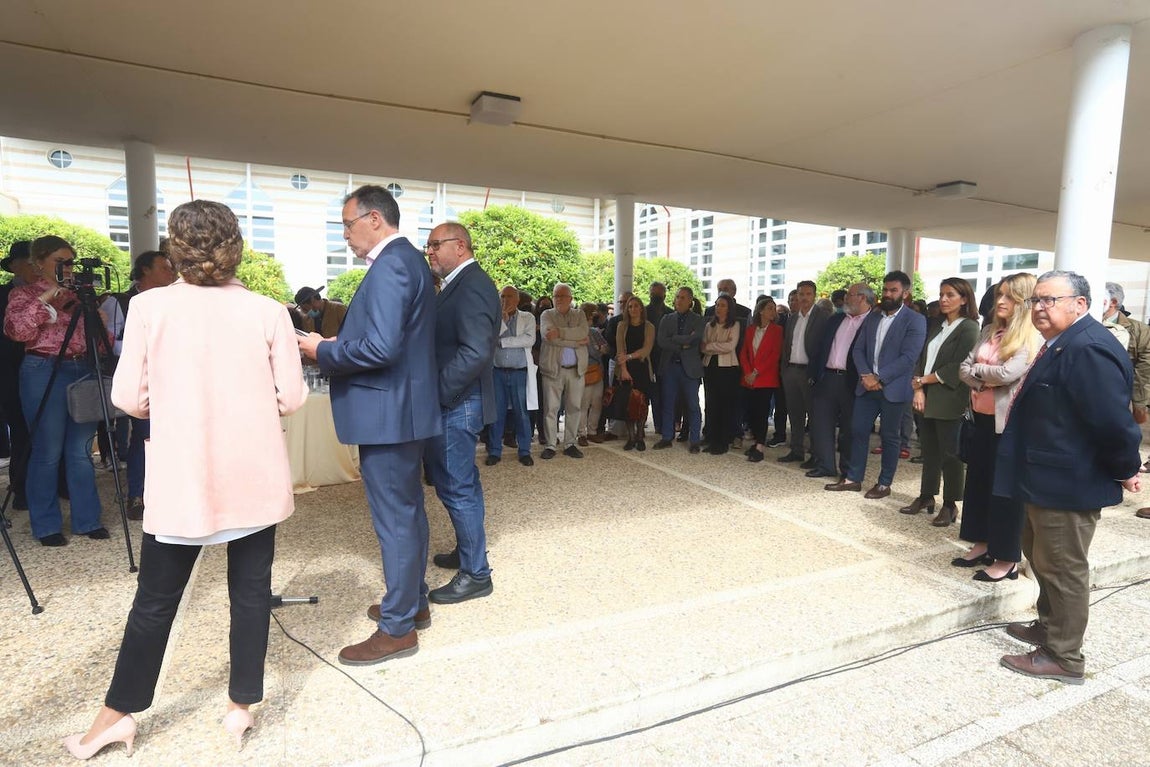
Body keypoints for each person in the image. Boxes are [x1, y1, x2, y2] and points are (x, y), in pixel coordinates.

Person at [63, 200, 306, 758]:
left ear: (175, 247)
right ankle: (240, 707)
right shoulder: (269, 311)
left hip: (184, 474)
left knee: (154, 601)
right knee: (249, 594)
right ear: (234, 245)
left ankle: (116, 714)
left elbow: (127, 397)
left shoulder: (150, 307)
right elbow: (291, 398)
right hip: (253, 474)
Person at [298, 184, 441, 665]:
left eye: (347, 224)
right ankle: (412, 602)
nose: (345, 235)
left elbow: (381, 348)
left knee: (396, 521)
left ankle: (398, 627)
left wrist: (323, 349)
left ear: (374, 219)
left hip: (388, 413)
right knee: (408, 513)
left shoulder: (392, 265)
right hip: (403, 409)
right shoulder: (409, 262)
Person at [995, 270, 1142, 684]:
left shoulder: (1089, 347)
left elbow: (1113, 422)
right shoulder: (1063, 343)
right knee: (1042, 559)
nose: (1039, 308)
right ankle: (1049, 628)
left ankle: (1065, 657)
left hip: (1068, 482)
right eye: (1035, 300)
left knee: (1063, 567)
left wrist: (1125, 467)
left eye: (1050, 300)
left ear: (1080, 304)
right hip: (1044, 476)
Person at [3, 236, 111, 546]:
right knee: (47, 451)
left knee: (80, 452)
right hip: (42, 368)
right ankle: (46, 525)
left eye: (70, 262)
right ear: (40, 263)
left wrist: (99, 322)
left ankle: (87, 520)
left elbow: (101, 346)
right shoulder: (23, 294)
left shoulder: (83, 297)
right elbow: (16, 331)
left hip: (82, 369)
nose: (67, 268)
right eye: (59, 262)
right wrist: (46, 300)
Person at [423, 222, 500, 605]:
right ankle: (467, 553)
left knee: (457, 487)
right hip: (458, 401)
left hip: (457, 403)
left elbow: (476, 352)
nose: (430, 251)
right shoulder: (457, 284)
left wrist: (436, 394)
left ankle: (476, 574)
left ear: (461, 246)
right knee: (461, 483)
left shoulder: (472, 286)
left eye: (436, 244)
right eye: (429, 245)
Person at [954, 273, 1040, 578]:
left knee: (1005, 491)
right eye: (1000, 295)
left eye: (1009, 297)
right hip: (980, 419)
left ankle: (1006, 558)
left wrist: (979, 371)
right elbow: (962, 369)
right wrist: (983, 375)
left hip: (1009, 426)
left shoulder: (1031, 336)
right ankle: (981, 542)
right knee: (977, 482)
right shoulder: (988, 330)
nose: (1000, 302)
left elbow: (1009, 373)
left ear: (1024, 302)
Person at [825, 271, 926, 499]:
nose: (888, 294)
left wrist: (878, 377)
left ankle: (884, 483)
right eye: (885, 290)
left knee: (890, 437)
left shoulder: (915, 320)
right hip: (866, 387)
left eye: (894, 290)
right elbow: (858, 349)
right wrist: (866, 375)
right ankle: (853, 478)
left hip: (894, 388)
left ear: (905, 293)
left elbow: (909, 358)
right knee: (858, 431)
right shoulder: (874, 316)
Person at [902, 278, 980, 526]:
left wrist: (923, 381)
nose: (944, 299)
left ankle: (950, 504)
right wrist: (918, 387)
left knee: (950, 454)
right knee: (930, 451)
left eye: (951, 295)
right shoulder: (937, 325)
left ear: (965, 299)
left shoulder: (969, 327)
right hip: (926, 395)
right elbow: (922, 357)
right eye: (942, 294)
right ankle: (926, 496)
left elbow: (958, 365)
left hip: (949, 397)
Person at [121, 250, 176, 520]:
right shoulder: (121, 302)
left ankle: (172, 493)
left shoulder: (176, 301)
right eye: (165, 268)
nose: (172, 273)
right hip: (144, 380)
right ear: (145, 270)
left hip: (175, 377)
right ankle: (138, 495)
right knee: (144, 437)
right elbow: (114, 342)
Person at [806, 283, 873, 478]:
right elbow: (820, 347)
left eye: (850, 295)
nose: (846, 298)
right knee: (820, 424)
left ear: (862, 298)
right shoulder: (836, 319)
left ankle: (848, 470)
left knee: (850, 428)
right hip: (827, 378)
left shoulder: (873, 322)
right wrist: (814, 374)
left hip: (854, 382)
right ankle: (825, 465)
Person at [1101, 282, 1150, 520]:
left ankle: (1124, 476)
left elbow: (1144, 368)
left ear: (1113, 302)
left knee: (1123, 439)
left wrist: (1139, 402)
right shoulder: (1088, 325)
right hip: (1100, 395)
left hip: (1124, 396)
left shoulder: (1137, 330)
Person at [0, 241, 37, 510]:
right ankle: (22, 488)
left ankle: (58, 484)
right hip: (11, 373)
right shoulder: (3, 294)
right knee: (22, 430)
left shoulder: (55, 293)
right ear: (14, 265)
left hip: (47, 370)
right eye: (29, 261)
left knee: (49, 432)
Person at [779, 280, 831, 465]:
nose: (804, 298)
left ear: (814, 296)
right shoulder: (793, 317)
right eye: (801, 294)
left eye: (808, 294)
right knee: (794, 414)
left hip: (809, 372)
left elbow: (825, 347)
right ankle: (796, 450)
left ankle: (816, 455)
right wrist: (784, 369)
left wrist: (817, 374)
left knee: (814, 416)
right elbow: (787, 344)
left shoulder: (822, 317)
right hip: (791, 370)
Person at [487, 284, 537, 467]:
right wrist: (502, 321)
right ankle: (494, 450)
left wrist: (504, 342)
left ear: (517, 300)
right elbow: (490, 339)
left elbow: (529, 339)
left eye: (509, 297)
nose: (505, 300)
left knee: (521, 413)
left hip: (519, 372)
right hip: (497, 371)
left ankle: (524, 451)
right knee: (497, 413)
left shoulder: (528, 317)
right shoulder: (495, 317)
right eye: (502, 296)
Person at [538, 283, 589, 459]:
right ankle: (551, 444)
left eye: (562, 296)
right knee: (551, 408)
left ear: (570, 298)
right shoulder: (546, 314)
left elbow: (583, 331)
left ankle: (570, 443)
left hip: (576, 370)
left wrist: (559, 332)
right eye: (556, 296)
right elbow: (548, 337)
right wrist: (575, 341)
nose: (558, 299)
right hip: (553, 370)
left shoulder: (580, 314)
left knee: (574, 407)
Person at [654, 287, 705, 452]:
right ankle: (667, 437)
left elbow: (696, 338)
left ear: (690, 301)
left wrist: (674, 338)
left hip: (689, 369)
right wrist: (682, 343)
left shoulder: (698, 320)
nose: (679, 300)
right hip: (670, 367)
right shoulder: (666, 318)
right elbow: (661, 341)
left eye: (683, 297)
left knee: (692, 405)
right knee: (668, 403)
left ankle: (695, 440)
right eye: (677, 297)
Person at [739, 297, 783, 462]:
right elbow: (744, 352)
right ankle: (755, 440)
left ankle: (759, 445)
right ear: (761, 311)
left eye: (774, 308)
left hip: (765, 378)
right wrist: (747, 372)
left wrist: (756, 372)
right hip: (749, 378)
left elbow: (774, 355)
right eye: (770, 308)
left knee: (762, 412)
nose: (773, 311)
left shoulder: (777, 330)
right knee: (751, 412)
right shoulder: (751, 329)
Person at [701, 294, 741, 454]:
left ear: (729, 308)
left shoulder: (735, 324)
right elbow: (702, 347)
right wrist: (715, 346)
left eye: (722, 305)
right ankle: (711, 436)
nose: (719, 308)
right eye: (717, 305)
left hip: (727, 367)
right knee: (711, 404)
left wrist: (711, 345)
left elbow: (730, 346)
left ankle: (723, 440)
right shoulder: (709, 325)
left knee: (724, 405)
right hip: (710, 365)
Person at [615, 295, 655, 450]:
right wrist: (624, 369)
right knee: (628, 403)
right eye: (630, 307)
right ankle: (631, 437)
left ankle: (640, 436)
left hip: (642, 367)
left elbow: (646, 349)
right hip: (626, 368)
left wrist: (630, 356)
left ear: (641, 308)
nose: (633, 309)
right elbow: (620, 350)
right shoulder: (621, 326)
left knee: (642, 403)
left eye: (636, 306)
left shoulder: (649, 326)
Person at [578, 301, 609, 447]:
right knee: (583, 404)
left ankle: (592, 431)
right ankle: (581, 433)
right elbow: (595, 351)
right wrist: (598, 349)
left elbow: (606, 348)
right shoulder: (578, 331)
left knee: (597, 403)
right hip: (584, 371)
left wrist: (601, 349)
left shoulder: (595, 332)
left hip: (597, 371)